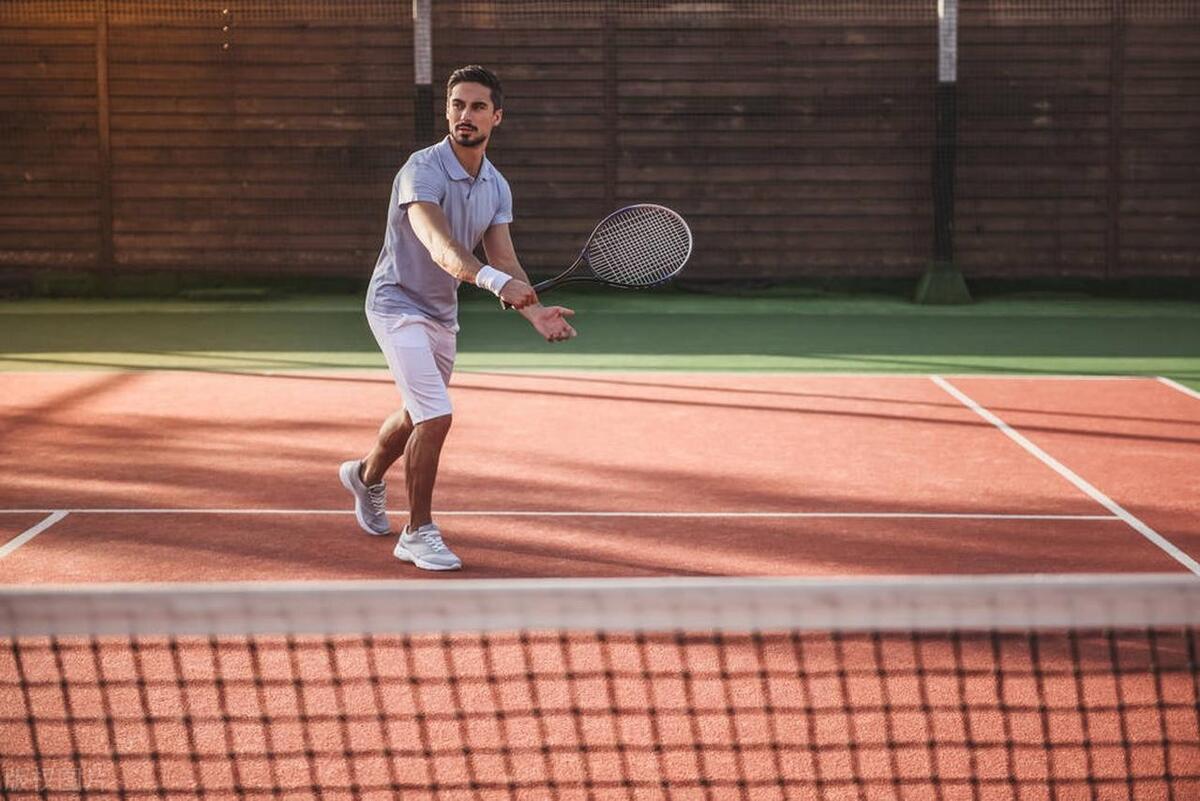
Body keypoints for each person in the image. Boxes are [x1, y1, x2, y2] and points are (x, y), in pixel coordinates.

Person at [339, 65, 576, 571]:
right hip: (396, 304)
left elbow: (504, 259)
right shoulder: (421, 169)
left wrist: (535, 313)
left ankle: (364, 476)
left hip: (441, 313)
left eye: (477, 106)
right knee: (436, 415)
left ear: (497, 116)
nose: (465, 115)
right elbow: (441, 246)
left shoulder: (496, 185)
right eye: (457, 105)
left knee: (416, 414)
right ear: (448, 111)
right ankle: (418, 532)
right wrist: (496, 284)